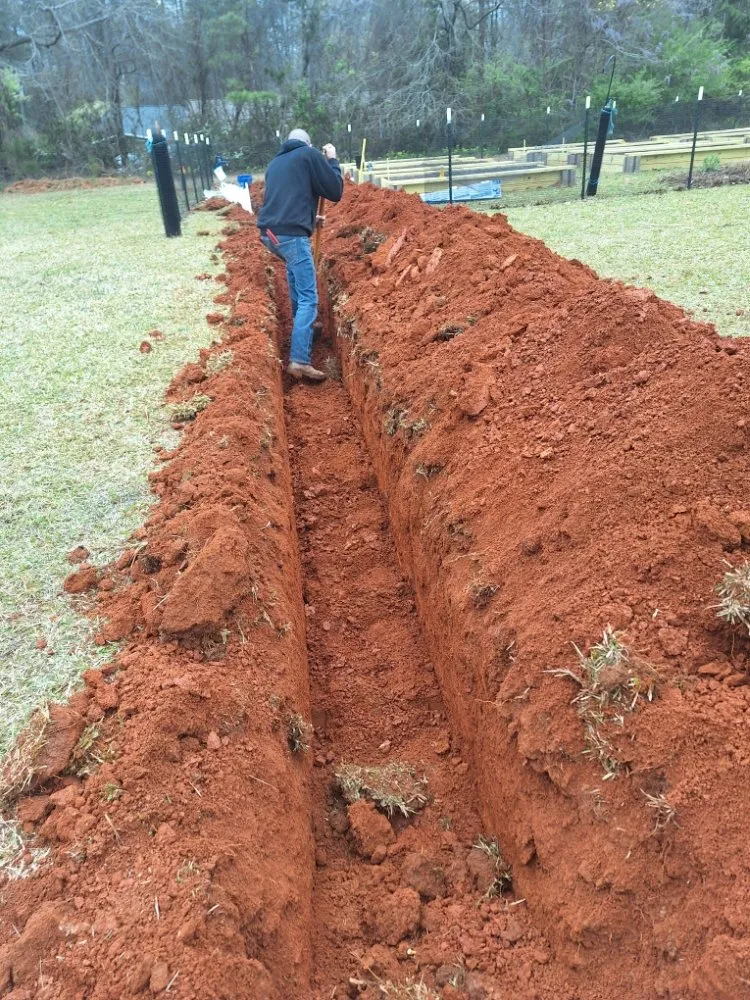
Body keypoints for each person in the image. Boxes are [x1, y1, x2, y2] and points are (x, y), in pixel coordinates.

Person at [258, 128, 344, 381]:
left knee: (295, 276)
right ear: (308, 144)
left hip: (271, 235)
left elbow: (286, 197)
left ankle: (303, 327)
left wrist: (310, 218)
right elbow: (335, 190)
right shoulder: (309, 155)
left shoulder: (276, 162)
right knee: (309, 298)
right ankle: (300, 360)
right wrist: (332, 160)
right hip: (292, 236)